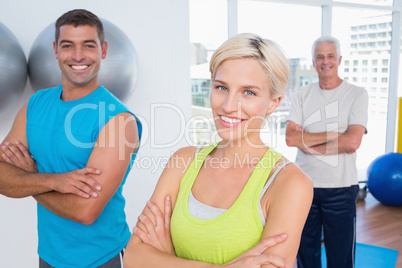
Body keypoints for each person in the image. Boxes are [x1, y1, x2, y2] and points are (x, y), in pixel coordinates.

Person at [123, 33, 313, 268]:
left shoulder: (289, 183)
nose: (228, 106)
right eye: (222, 87)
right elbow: (133, 257)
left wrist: (168, 258)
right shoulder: (183, 161)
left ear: (273, 102)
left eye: (249, 92)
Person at [0, 9, 142, 267]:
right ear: (56, 50)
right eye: (68, 46)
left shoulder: (118, 121)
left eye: (88, 45)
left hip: (100, 258)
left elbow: (85, 211)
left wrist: (29, 177)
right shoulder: (35, 105)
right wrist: (54, 181)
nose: (78, 56)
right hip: (49, 256)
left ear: (104, 50)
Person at [285, 36, 368, 268]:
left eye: (330, 56)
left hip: (341, 188)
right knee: (305, 253)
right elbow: (291, 137)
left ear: (339, 59)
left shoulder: (357, 94)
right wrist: (334, 134)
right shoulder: (302, 94)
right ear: (313, 62)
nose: (325, 61)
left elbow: (352, 142)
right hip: (304, 186)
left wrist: (308, 142)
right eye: (320, 57)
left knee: (340, 256)